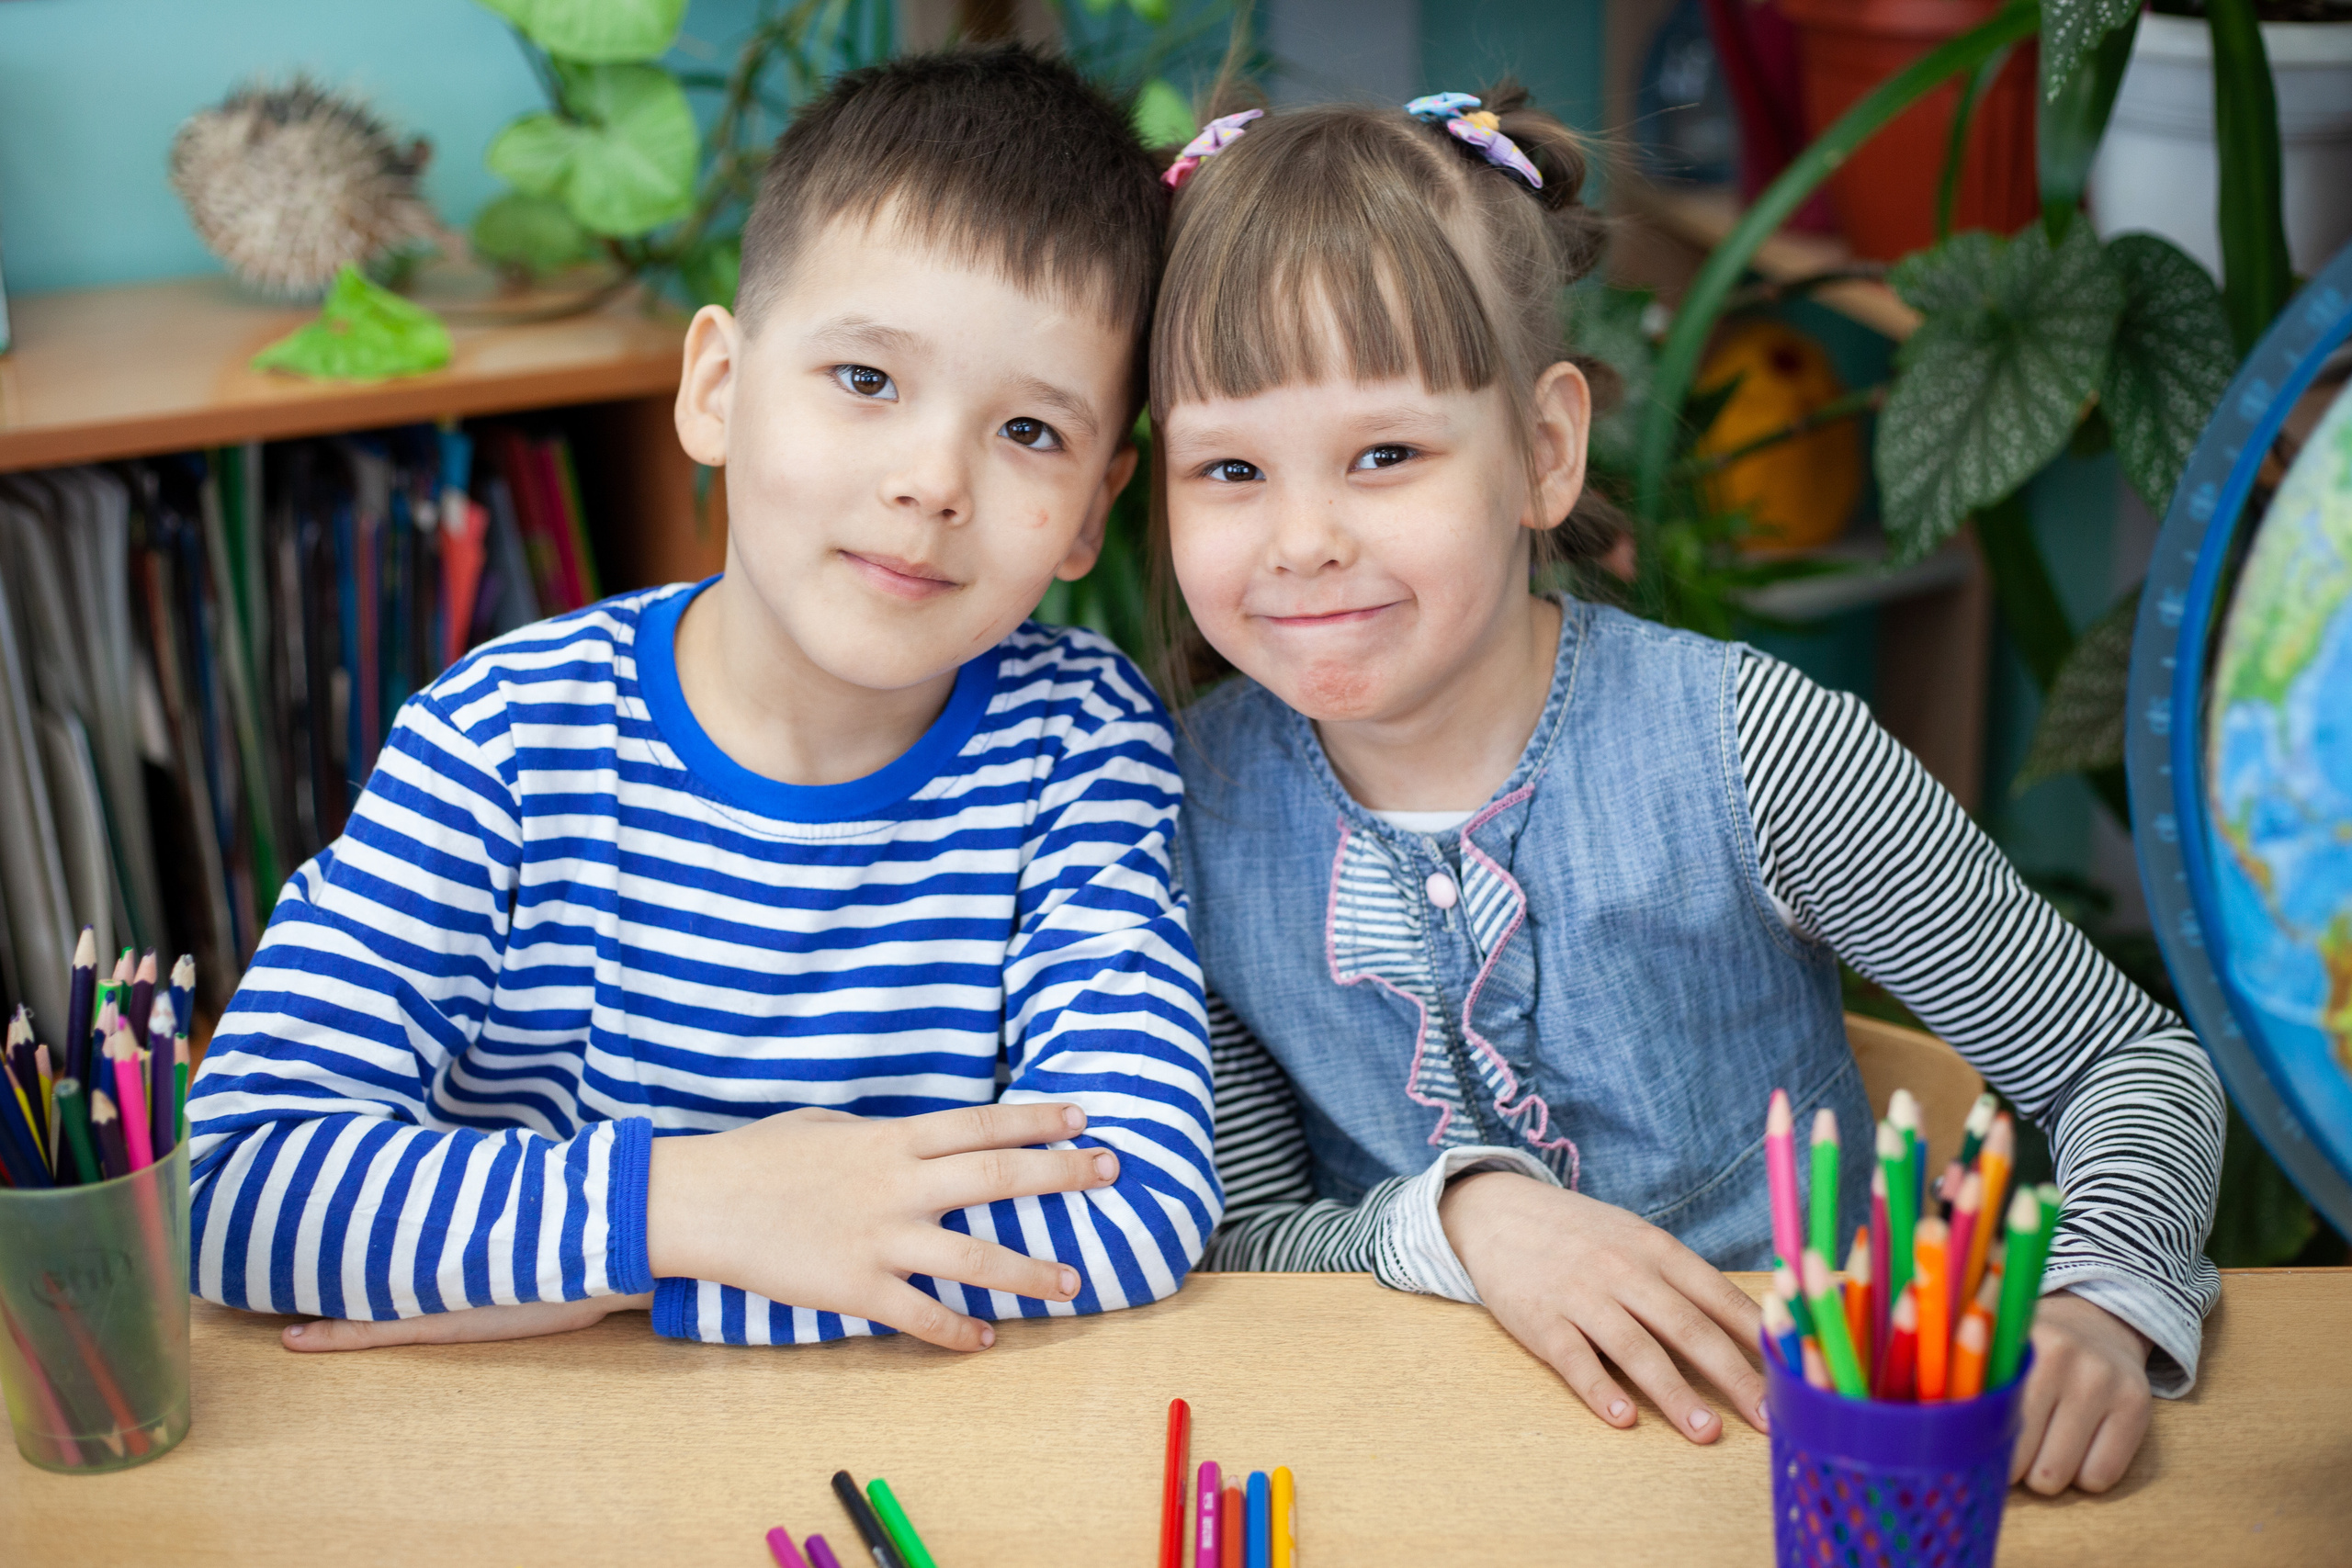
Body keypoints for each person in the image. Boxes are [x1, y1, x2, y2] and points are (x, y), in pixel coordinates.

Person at [1155, 87, 2222, 1495]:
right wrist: (1470, 1220)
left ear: (1544, 449)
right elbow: (1239, 1230)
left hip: (1810, 1469)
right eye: (1230, 468)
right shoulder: (1178, 812)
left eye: (1386, 454)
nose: (1302, 540)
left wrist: (2098, 1301)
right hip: (1419, 1482)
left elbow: (2127, 1069)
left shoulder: (1758, 751)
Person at [184, 44, 1216, 1353]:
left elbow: (1136, 1202)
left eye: (1030, 434)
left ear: (1091, 514)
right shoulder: (502, 742)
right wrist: (690, 1201)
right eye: (866, 380)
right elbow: (233, 1187)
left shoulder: (1079, 744)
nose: (932, 480)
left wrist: (625, 1283)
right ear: (718, 388)